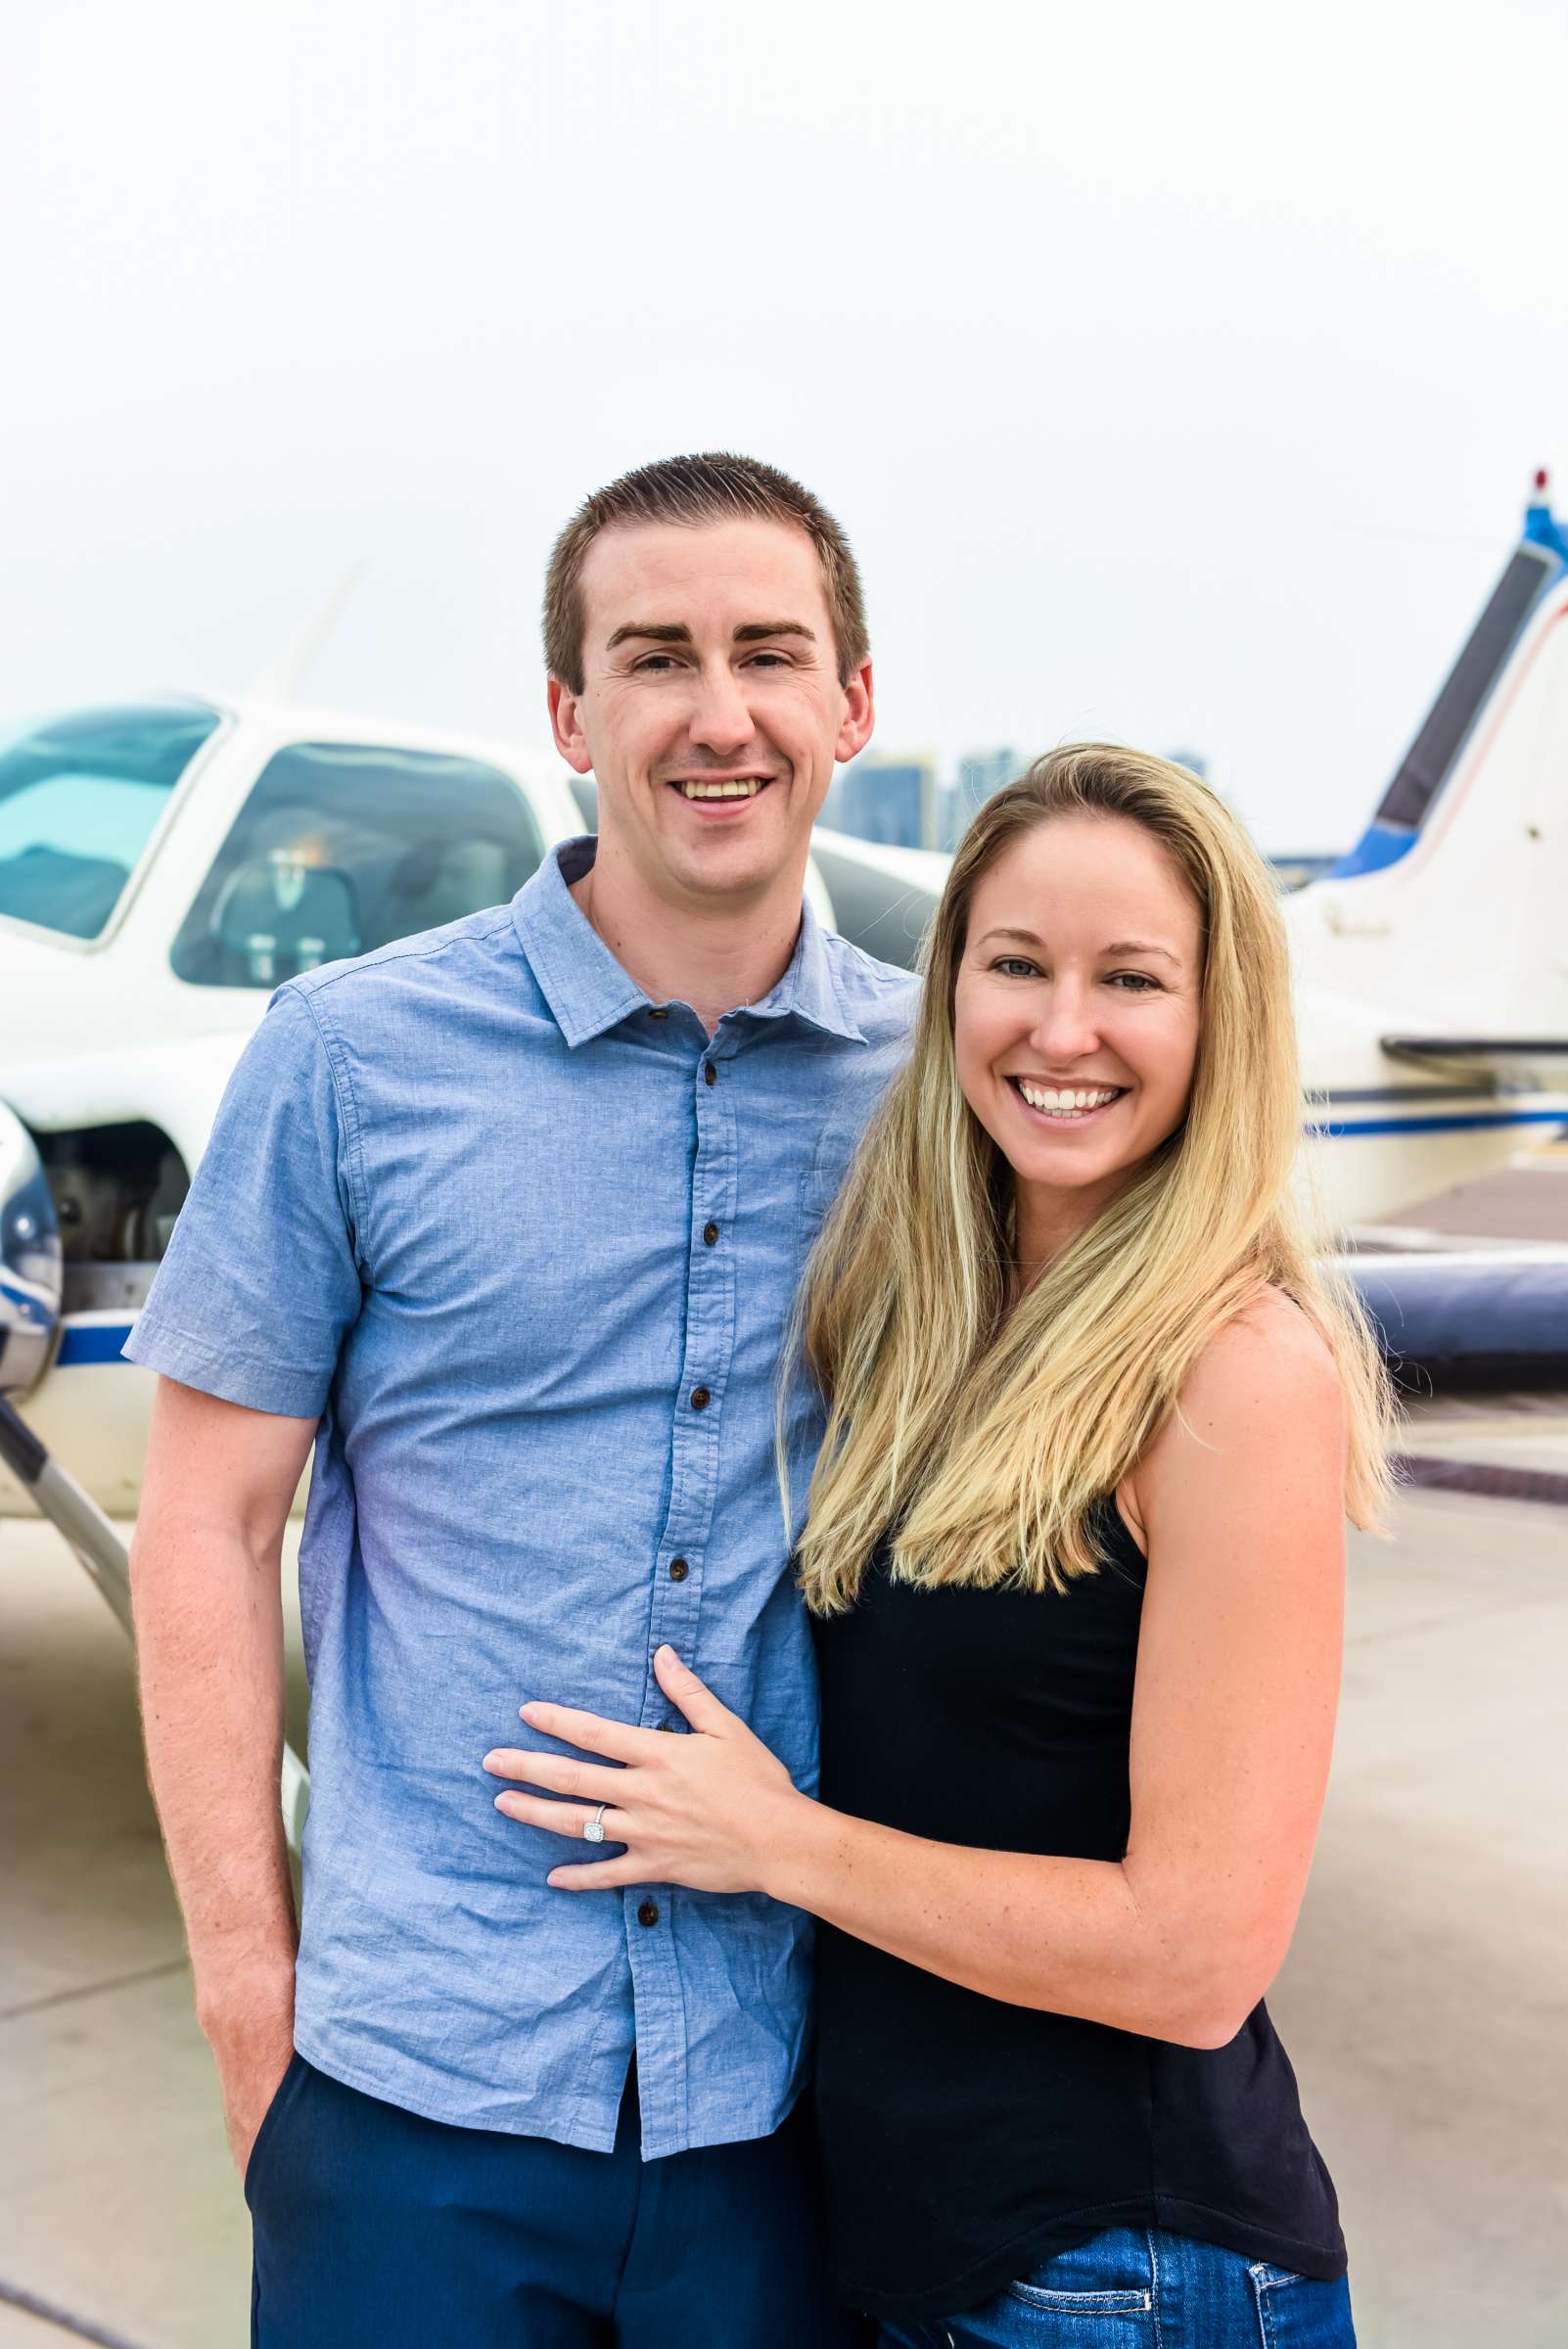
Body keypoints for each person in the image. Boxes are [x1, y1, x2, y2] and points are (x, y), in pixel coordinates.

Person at [124, 451, 914, 2346]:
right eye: (654, 659)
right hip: (416, 2093)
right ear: (570, 715)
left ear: (854, 705)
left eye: (769, 654)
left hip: (799, 2095)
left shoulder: (937, 1085)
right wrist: (251, 2000)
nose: (717, 716)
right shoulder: (348, 1059)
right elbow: (207, 1529)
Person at [483, 746, 1394, 2347]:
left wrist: (776, 1842)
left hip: (1119, 2270)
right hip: (926, 2254)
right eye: (1014, 966)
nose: (1060, 1031)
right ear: (946, 987)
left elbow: (1194, 1958)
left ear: (1218, 1020)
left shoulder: (1236, 1374)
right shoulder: (940, 1324)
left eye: (1131, 979)